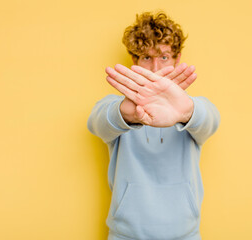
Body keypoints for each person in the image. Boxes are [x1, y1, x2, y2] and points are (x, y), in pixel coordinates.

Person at [87, 11, 220, 240]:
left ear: (177, 59)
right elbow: (97, 122)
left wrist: (186, 111)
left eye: (164, 57)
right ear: (135, 61)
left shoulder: (192, 107)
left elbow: (210, 120)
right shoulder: (116, 107)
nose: (155, 68)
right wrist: (129, 113)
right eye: (147, 57)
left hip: (185, 235)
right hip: (125, 235)